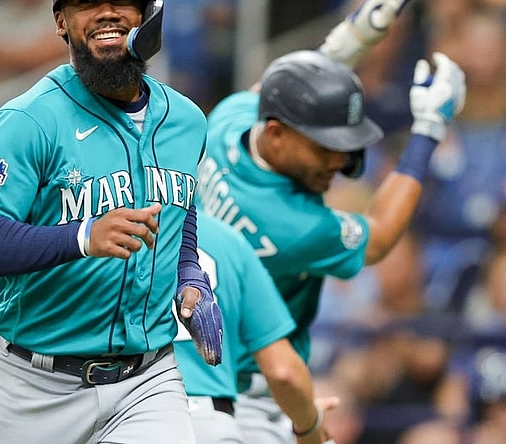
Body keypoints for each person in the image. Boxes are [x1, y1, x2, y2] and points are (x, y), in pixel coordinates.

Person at [0, 1, 223, 443]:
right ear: (61, 22)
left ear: (148, 14)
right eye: (86, 4)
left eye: (121, 1)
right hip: (30, 388)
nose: (105, 13)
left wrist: (189, 271)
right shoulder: (28, 120)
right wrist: (82, 236)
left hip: (146, 382)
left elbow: (180, 208)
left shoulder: (187, 121)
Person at [193, 0, 467, 441]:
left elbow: (276, 88)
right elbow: (377, 237)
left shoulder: (228, 120)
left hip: (182, 369)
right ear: (278, 135)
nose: (338, 161)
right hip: (247, 391)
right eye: (324, 147)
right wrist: (429, 129)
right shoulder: (292, 225)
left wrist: (354, 37)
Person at [175, 211, 338, 444]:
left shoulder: (114, 235)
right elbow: (283, 371)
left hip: (130, 418)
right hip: (209, 420)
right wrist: (309, 423)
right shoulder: (226, 240)